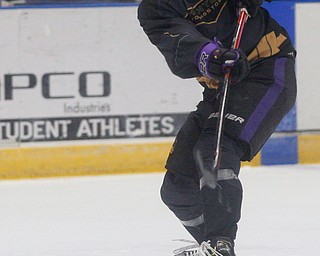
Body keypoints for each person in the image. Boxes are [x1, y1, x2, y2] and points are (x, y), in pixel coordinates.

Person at [138, 0, 297, 255]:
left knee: (215, 147)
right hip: (222, 86)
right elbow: (180, 42)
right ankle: (210, 245)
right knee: (178, 188)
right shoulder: (154, 9)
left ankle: (220, 241)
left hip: (268, 69)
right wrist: (212, 56)